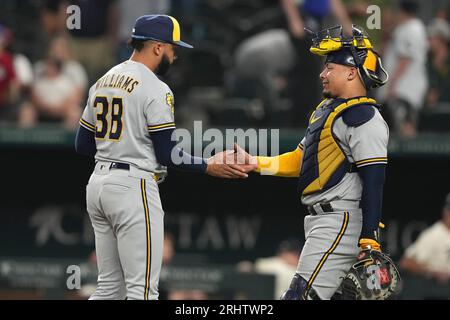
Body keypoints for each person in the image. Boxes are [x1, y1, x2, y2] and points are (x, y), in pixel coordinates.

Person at [74, 14, 255, 300]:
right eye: (173, 48)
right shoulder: (156, 88)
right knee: (142, 291)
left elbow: (83, 145)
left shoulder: (103, 80)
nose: (175, 55)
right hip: (133, 187)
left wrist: (122, 149)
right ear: (157, 47)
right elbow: (168, 154)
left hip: (98, 184)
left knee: (109, 288)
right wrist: (208, 164)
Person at [235, 25, 393, 299]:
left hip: (341, 220)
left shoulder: (363, 116)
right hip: (325, 221)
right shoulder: (327, 110)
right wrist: (255, 163)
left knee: (298, 296)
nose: (323, 74)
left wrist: (369, 239)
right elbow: (299, 160)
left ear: (352, 72)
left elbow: (374, 180)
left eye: (330, 68)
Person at [376, 0, 428, 137]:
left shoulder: (413, 27)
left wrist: (392, 85)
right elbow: (384, 52)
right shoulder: (401, 28)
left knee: (405, 130)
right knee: (391, 132)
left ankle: (411, 159)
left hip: (404, 89)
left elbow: (406, 59)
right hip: (395, 90)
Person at [399, 193, 450, 284]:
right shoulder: (433, 235)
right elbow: (406, 262)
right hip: (439, 289)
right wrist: (432, 273)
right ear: (445, 211)